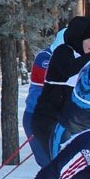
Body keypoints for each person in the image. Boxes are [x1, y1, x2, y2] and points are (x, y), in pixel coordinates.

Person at [31, 17, 90, 161]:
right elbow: (68, 70)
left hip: (70, 123)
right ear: (79, 37)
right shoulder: (63, 51)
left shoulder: (86, 57)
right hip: (50, 121)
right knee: (64, 166)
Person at [24, 30, 64, 167]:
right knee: (49, 164)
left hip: (58, 119)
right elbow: (49, 81)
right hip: (36, 116)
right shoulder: (45, 57)